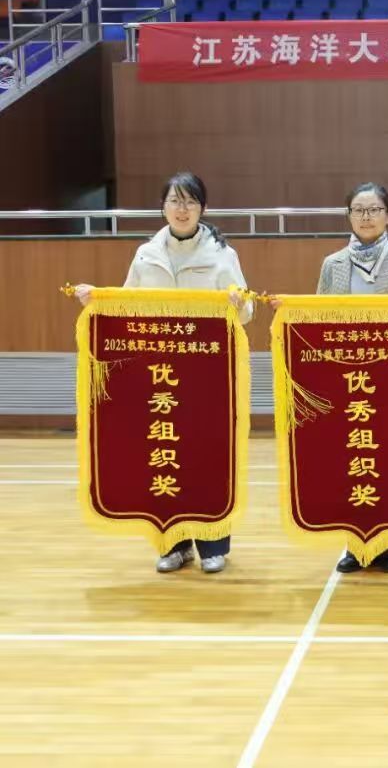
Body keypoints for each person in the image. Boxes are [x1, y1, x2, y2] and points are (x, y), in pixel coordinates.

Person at [74, 171, 252, 575]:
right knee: (164, 453)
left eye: (190, 201)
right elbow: (126, 305)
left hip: (206, 373)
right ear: (163, 207)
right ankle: (173, 544)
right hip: (158, 374)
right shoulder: (146, 254)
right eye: (175, 200)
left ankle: (212, 545)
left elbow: (246, 311)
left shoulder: (222, 254)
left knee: (207, 456)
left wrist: (237, 302)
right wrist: (96, 299)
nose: (182, 209)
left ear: (202, 208)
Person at [319, 182, 388, 575]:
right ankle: (356, 546)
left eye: (374, 209)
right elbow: (318, 322)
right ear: (348, 216)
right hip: (348, 385)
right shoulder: (332, 264)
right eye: (359, 210)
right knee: (352, 462)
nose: (366, 217)